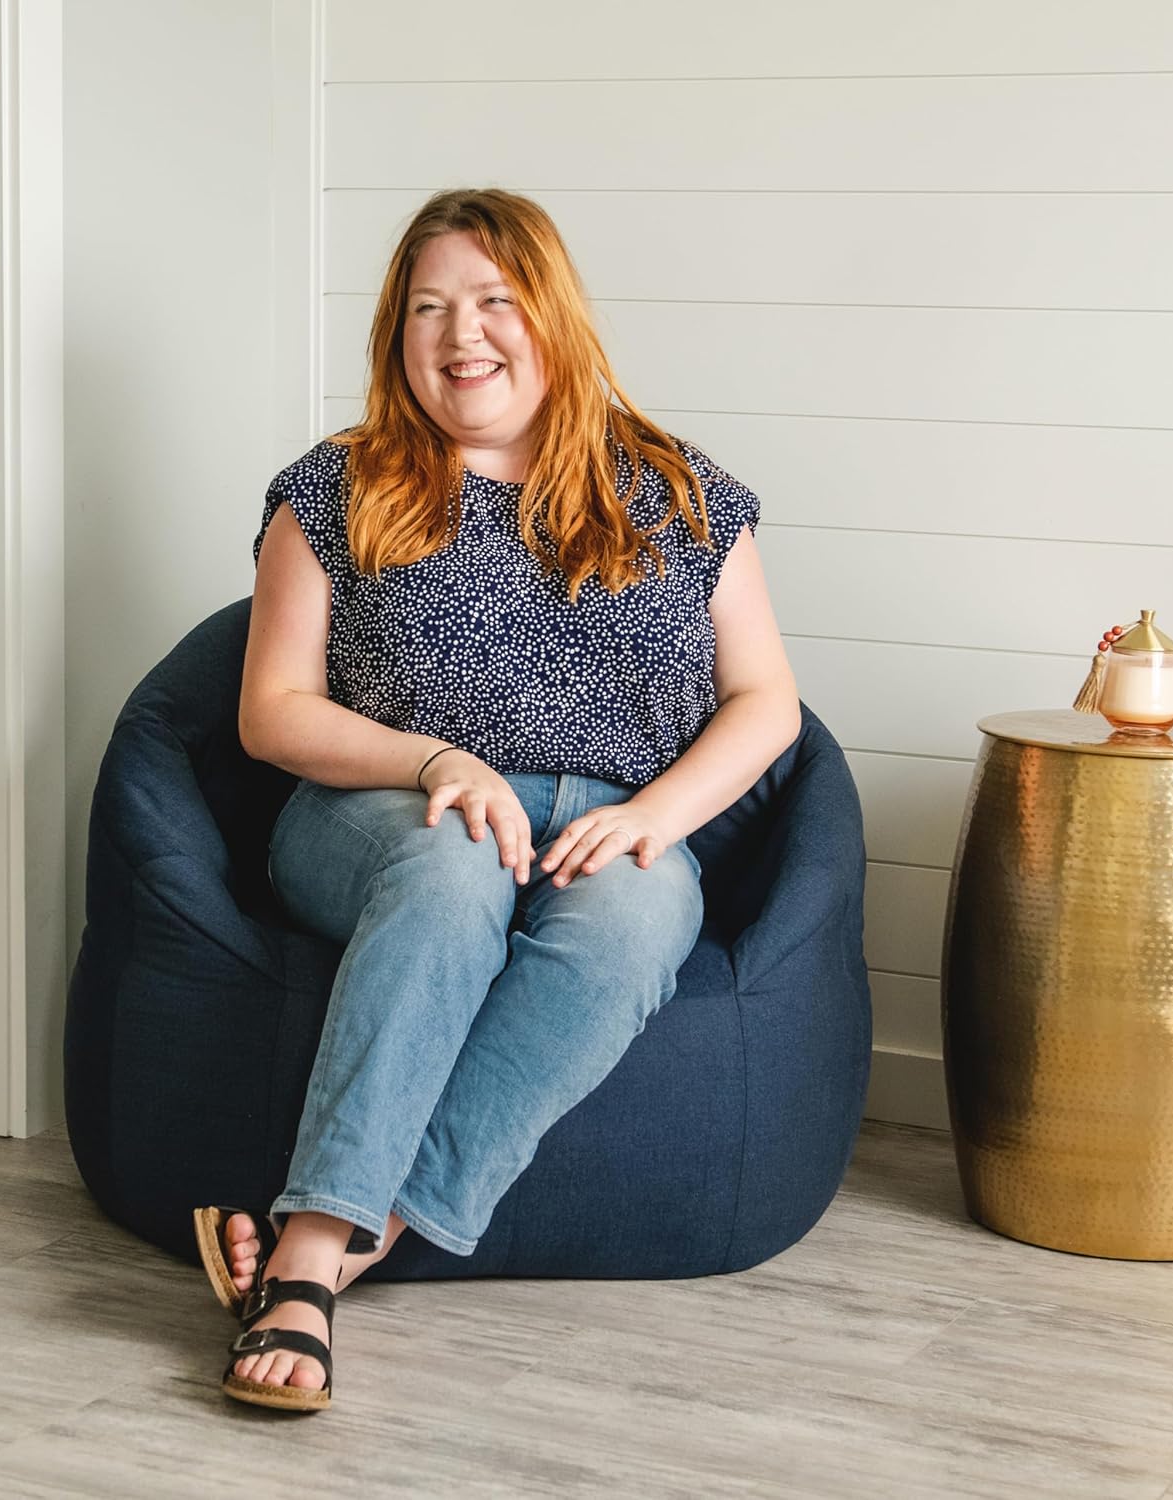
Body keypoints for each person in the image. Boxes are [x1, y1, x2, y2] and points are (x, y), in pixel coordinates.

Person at [194, 187, 800, 1412]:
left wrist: (658, 817)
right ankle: (311, 1251)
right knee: (453, 865)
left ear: (551, 316)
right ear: (397, 335)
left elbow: (766, 700)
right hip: (384, 814)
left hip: (609, 821)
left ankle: (354, 1240)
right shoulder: (335, 488)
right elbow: (272, 710)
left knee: (633, 920)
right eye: (428, 308)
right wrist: (435, 763)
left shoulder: (679, 491)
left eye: (492, 301)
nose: (460, 334)